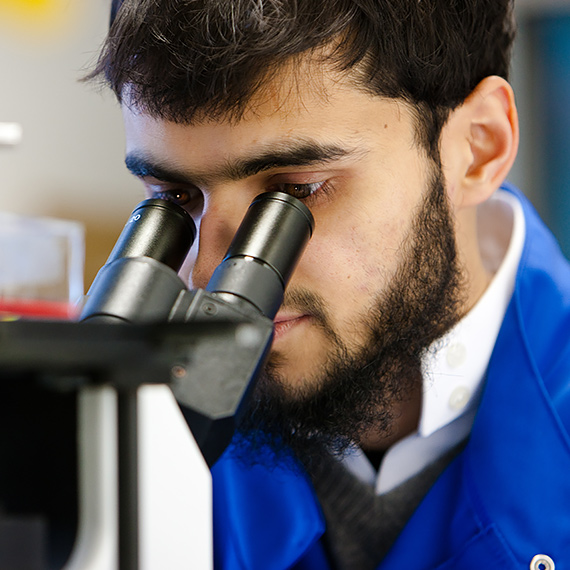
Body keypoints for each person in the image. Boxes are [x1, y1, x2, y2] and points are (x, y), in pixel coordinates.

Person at [90, 1, 570, 568]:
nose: (208, 275)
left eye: (296, 191)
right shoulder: (122, 409)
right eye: (174, 198)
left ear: (478, 148)